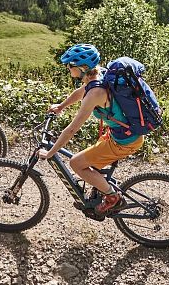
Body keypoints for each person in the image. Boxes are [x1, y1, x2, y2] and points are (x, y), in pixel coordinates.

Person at [37, 43, 145, 215]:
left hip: (123, 142)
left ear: (82, 68)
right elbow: (80, 93)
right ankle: (100, 188)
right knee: (87, 159)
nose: (68, 68)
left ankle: (112, 198)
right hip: (120, 134)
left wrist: (50, 154)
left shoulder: (96, 94)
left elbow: (71, 130)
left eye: (70, 65)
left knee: (76, 163)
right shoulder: (98, 75)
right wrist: (61, 106)